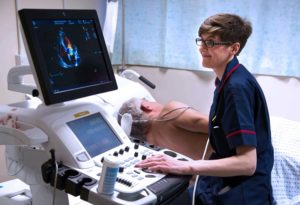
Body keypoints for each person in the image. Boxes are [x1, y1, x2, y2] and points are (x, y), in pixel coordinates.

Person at [135, 13, 274, 205]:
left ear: (234, 48)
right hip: (227, 184)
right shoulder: (226, 80)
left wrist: (185, 166)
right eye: (201, 41)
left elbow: (248, 164)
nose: (202, 48)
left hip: (243, 194)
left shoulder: (236, 88)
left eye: (211, 43)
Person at [118, 98, 211, 160]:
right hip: (223, 159)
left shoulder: (152, 147)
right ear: (146, 107)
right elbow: (213, 125)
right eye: (147, 100)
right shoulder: (169, 112)